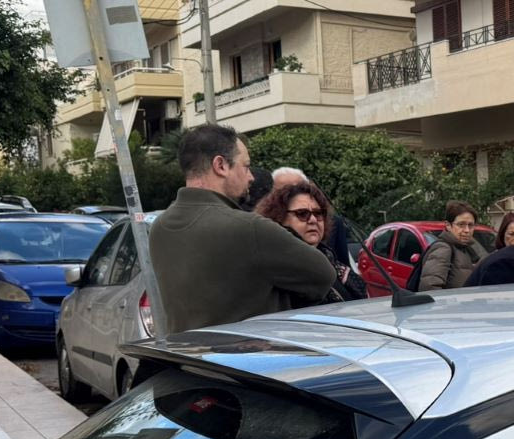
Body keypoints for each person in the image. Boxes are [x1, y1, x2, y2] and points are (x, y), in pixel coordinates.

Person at [149, 125, 336, 332]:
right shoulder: (249, 228)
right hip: (250, 350)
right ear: (220, 165)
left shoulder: (160, 227)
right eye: (246, 166)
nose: (251, 177)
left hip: (185, 351)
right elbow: (324, 275)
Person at [256, 179, 366, 301]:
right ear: (279, 218)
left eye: (318, 213)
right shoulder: (277, 271)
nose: (313, 220)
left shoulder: (334, 264)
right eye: (302, 214)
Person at [410, 200, 488, 291]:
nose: (467, 230)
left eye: (470, 225)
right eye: (461, 224)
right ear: (448, 225)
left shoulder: (469, 248)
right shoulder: (443, 249)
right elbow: (429, 287)